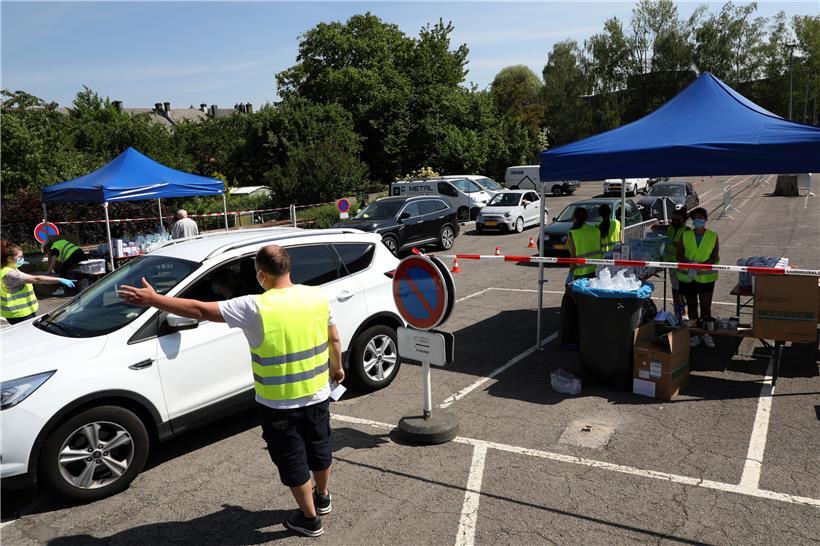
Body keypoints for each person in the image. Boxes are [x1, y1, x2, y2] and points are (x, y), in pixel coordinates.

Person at [118, 244, 343, 538]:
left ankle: (310, 519)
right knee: (319, 446)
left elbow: (199, 309)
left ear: (262, 274)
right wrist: (336, 369)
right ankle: (323, 497)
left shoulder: (255, 307)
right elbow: (334, 339)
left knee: (293, 459)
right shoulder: (317, 296)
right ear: (288, 268)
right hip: (317, 394)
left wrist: (155, 299)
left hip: (279, 406)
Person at [1, 240, 75, 324]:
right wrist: (59, 279)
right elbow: (36, 279)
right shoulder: (10, 274)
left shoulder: (9, 268)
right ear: (10, 259)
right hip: (19, 313)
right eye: (20, 257)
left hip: (21, 311)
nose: (22, 259)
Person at [676, 207, 719, 348]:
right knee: (692, 308)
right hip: (688, 278)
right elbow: (679, 255)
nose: (698, 220)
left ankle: (706, 334)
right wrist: (689, 263)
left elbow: (715, 257)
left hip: (706, 278)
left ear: (705, 219)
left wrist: (703, 265)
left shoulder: (713, 236)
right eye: (695, 218)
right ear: (692, 221)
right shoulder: (685, 235)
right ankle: (695, 335)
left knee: (706, 308)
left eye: (700, 217)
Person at [560, 207, 602, 349]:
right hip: (595, 272)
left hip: (579, 274)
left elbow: (573, 256)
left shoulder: (573, 233)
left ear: (574, 217)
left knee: (575, 309)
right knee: (590, 307)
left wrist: (570, 274)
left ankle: (576, 338)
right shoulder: (595, 230)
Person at [660, 210, 690, 322]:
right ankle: (678, 313)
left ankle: (685, 313)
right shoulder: (671, 227)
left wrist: (672, 242)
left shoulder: (686, 230)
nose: (675, 221)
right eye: (673, 219)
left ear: (684, 220)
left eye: (678, 220)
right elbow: (662, 228)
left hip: (682, 265)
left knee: (681, 290)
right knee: (675, 290)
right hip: (671, 264)